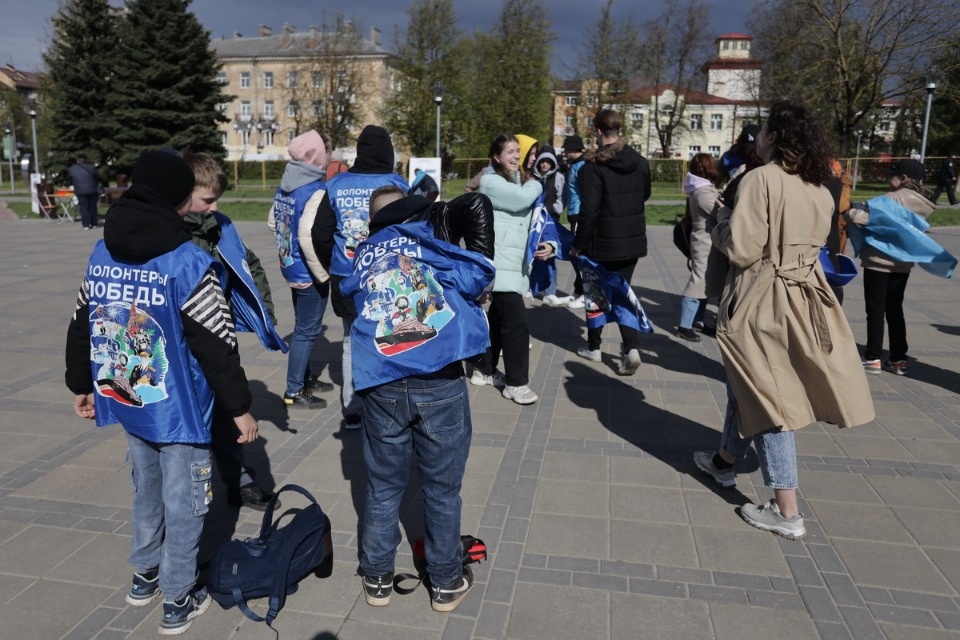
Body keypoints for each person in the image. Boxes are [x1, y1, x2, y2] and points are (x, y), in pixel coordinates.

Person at [64, 150, 259, 634]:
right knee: (187, 499)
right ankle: (178, 595)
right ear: (177, 198)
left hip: (129, 398)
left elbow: (81, 321)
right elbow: (216, 343)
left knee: (145, 490)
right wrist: (239, 408)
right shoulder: (188, 261)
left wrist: (81, 384)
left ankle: (144, 574)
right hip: (181, 410)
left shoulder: (102, 251)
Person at [693, 102, 874, 540]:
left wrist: (720, 218)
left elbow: (741, 249)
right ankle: (723, 462)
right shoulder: (818, 186)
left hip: (763, 299)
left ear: (774, 136)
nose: (756, 137)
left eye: (763, 131)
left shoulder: (760, 179)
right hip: (805, 295)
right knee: (750, 384)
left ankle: (786, 509)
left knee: (771, 398)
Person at [343, 185, 494, 613]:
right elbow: (478, 275)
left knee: (382, 487)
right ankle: (446, 582)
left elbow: (350, 295)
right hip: (438, 381)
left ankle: (376, 577)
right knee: (442, 491)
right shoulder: (428, 238)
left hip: (383, 384)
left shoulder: (365, 252)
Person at [182, 151, 283, 510]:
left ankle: (238, 481)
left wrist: (262, 311)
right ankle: (194, 488)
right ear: (184, 192)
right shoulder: (171, 233)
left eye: (217, 199)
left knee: (229, 413)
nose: (214, 207)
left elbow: (249, 262)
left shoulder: (221, 224)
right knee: (191, 422)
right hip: (184, 345)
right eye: (208, 199)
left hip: (219, 337)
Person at [312, 125, 409, 427]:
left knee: (350, 340)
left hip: (346, 276)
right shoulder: (397, 183)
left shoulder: (336, 184)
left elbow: (320, 233)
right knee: (392, 336)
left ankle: (352, 408)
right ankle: (388, 403)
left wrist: (334, 265)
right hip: (388, 275)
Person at [571, 109, 651, 376]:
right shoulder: (640, 161)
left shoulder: (593, 167)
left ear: (597, 132)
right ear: (619, 130)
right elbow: (645, 194)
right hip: (632, 242)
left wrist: (578, 243)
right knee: (622, 292)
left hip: (602, 243)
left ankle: (595, 347)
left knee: (596, 292)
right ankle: (630, 349)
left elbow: (589, 210)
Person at [472, 133, 548, 405]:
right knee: (517, 325)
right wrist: (539, 184)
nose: (516, 156)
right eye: (510, 152)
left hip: (515, 264)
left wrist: (547, 243)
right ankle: (516, 383)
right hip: (501, 263)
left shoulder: (517, 180)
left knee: (498, 321)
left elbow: (535, 218)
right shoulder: (491, 182)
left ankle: (484, 369)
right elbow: (520, 200)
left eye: (518, 151)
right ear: (496, 157)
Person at [845, 158, 936, 376]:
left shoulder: (891, 198)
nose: (887, 178)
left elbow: (863, 218)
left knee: (875, 310)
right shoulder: (923, 204)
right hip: (903, 263)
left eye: (891, 175)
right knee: (895, 310)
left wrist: (850, 212)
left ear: (903, 179)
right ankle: (898, 360)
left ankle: (873, 357)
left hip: (879, 261)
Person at [269, 130, 335, 409]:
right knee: (307, 332)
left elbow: (273, 223)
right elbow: (309, 235)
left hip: (292, 268)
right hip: (310, 273)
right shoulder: (315, 191)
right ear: (316, 157)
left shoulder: (285, 186)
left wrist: (287, 257)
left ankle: (305, 378)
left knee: (303, 328)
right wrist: (321, 273)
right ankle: (294, 390)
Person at [675, 153, 724, 342]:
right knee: (698, 281)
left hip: (707, 242)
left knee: (706, 282)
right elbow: (719, 211)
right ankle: (684, 325)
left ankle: (698, 321)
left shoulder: (702, 188)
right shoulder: (703, 192)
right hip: (704, 243)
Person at [532, 144, 568, 306]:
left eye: (548, 161)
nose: (544, 165)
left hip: (551, 222)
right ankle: (532, 287)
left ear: (553, 163)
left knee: (549, 255)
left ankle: (550, 291)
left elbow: (563, 196)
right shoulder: (533, 178)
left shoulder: (558, 177)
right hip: (535, 222)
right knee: (533, 255)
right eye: (542, 161)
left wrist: (554, 210)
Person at [562, 135, 587, 308]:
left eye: (566, 149)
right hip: (574, 213)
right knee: (575, 255)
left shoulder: (582, 166)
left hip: (580, 214)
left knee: (578, 254)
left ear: (572, 149)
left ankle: (585, 291)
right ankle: (578, 290)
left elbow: (585, 192)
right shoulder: (574, 165)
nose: (564, 152)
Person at [68, 154, 102, 229]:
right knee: (92, 206)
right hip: (93, 189)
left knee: (84, 207)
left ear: (77, 160)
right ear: (85, 160)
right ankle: (94, 223)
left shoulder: (72, 169)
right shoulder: (92, 167)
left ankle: (86, 225)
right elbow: (98, 177)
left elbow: (70, 179)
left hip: (80, 190)